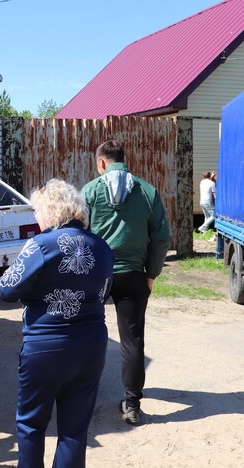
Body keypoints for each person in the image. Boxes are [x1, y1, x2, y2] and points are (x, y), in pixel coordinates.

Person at [0, 179, 113, 468]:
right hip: (91, 345)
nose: (35, 218)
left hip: (47, 346)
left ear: (50, 211)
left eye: (37, 211)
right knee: (75, 431)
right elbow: (105, 292)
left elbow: (6, 289)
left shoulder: (41, 244)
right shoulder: (101, 246)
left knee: (31, 426)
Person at [80, 140, 170, 426]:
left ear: (101, 163)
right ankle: (132, 405)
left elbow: (78, 233)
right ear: (123, 160)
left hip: (95, 275)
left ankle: (80, 398)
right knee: (132, 341)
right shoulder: (147, 191)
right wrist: (152, 274)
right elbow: (161, 238)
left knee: (86, 335)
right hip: (133, 275)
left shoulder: (91, 191)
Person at [212, 171, 224, 259]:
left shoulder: (219, 183)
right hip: (221, 211)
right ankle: (219, 254)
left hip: (221, 211)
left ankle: (219, 254)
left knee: (220, 232)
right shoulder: (220, 183)